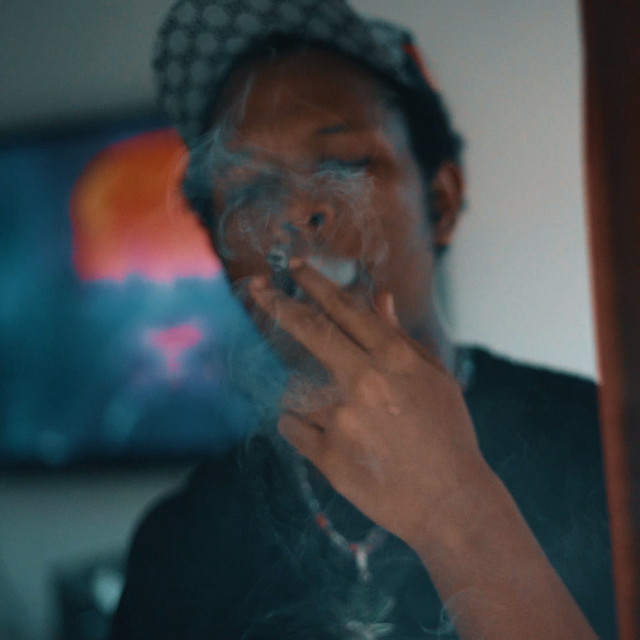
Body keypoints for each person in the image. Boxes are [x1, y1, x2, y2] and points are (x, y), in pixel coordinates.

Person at [111, 1, 616, 638]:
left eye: (345, 163)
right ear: (221, 254)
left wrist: (455, 509)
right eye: (250, 189)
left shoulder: (605, 449)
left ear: (440, 203)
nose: (295, 212)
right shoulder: (182, 546)